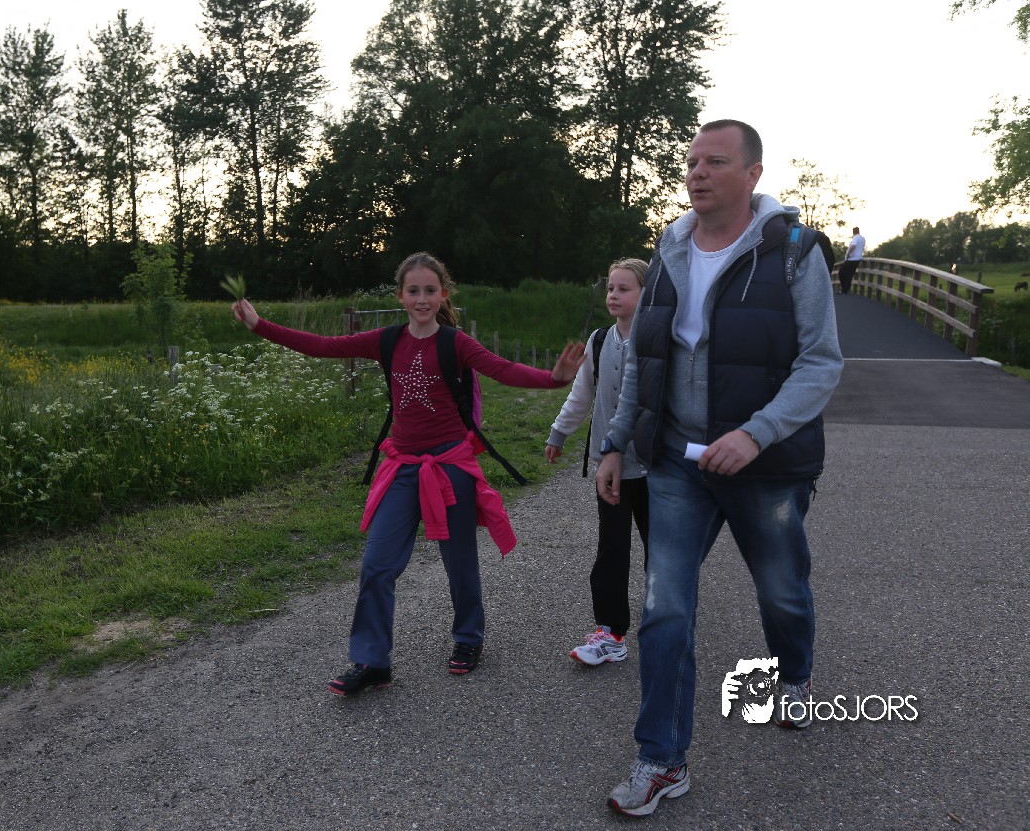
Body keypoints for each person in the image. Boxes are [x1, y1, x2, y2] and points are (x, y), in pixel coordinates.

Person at [594, 119, 843, 817]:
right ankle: (661, 759)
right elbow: (646, 358)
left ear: (753, 173)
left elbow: (821, 363)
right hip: (678, 464)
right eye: (692, 161)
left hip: (766, 467)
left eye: (715, 161)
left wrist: (757, 434)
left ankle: (794, 676)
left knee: (782, 591)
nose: (697, 172)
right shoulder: (669, 247)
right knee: (665, 608)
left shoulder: (793, 251)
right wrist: (616, 441)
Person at [231, 252, 585, 696]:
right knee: (377, 565)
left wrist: (554, 379)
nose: (422, 299)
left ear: (443, 295)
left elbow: (503, 369)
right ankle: (371, 661)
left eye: (430, 291)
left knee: (459, 561)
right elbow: (323, 345)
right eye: (413, 291)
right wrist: (259, 326)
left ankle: (468, 638)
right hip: (402, 468)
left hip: (449, 467)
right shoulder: (386, 340)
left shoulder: (455, 343)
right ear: (400, 296)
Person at [543, 258, 650, 666]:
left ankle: (665, 624)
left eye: (624, 288)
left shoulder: (658, 340)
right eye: (610, 288)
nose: (613, 295)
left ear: (646, 294)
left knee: (661, 552)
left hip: (655, 467)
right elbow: (581, 393)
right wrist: (559, 432)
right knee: (611, 549)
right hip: (610, 469)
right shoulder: (599, 340)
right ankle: (610, 632)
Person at [838, 226, 865, 294]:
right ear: (859, 231)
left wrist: (848, 254)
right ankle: (845, 290)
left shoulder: (856, 238)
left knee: (841, 273)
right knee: (849, 274)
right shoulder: (862, 238)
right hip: (858, 258)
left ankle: (844, 289)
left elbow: (853, 245)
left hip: (852, 259)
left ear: (853, 232)